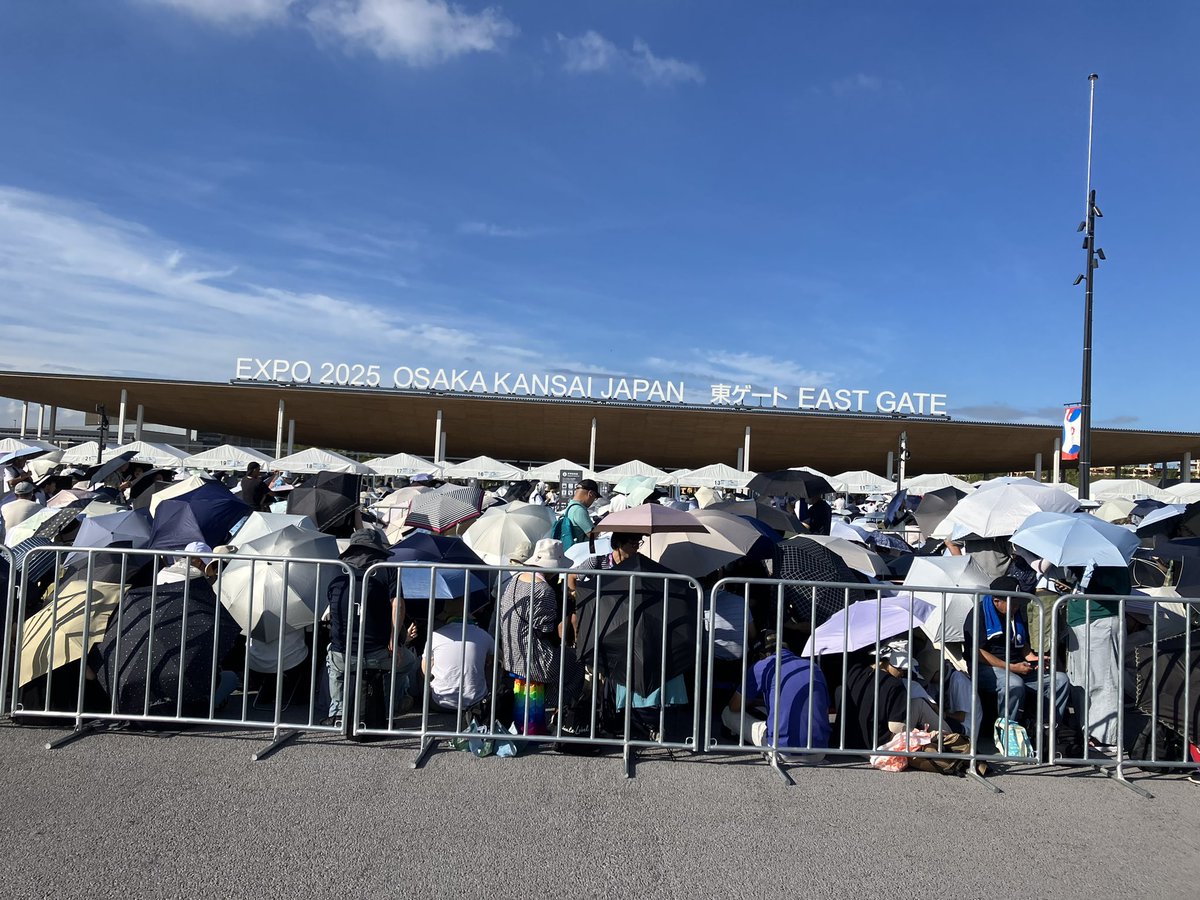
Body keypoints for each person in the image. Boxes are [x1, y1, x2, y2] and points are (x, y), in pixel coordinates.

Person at [325, 528, 417, 725]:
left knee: (332, 660)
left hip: (343, 654)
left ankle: (337, 711)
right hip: (379, 654)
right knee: (408, 661)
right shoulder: (387, 569)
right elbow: (398, 604)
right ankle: (389, 704)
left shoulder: (335, 569)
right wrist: (394, 637)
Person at [498, 538, 583, 732]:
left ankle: (535, 715)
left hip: (512, 655)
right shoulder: (544, 590)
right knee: (576, 663)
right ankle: (559, 711)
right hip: (535, 659)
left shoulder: (515, 580)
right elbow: (547, 630)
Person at [963, 576, 1070, 726]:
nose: (1016, 607)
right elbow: (977, 652)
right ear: (996, 601)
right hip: (987, 668)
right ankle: (1008, 734)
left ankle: (1047, 730)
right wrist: (1011, 667)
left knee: (1060, 680)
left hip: (1017, 666)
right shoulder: (979, 614)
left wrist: (1033, 658)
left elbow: (1022, 642)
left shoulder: (1017, 613)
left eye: (1018, 602)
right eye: (1012, 603)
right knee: (1013, 684)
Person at [721, 631, 831, 761]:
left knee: (727, 713)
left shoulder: (762, 665)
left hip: (782, 751)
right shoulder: (813, 667)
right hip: (820, 751)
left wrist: (752, 702)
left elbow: (734, 706)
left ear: (761, 654)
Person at [1065, 566, 1129, 750]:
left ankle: (1106, 736)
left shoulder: (1110, 558)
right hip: (1080, 620)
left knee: (1105, 679)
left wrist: (1094, 573)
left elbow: (1122, 587)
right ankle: (1086, 729)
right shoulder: (1081, 554)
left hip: (1101, 619)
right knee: (1082, 681)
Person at [421, 597, 494, 714]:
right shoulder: (483, 635)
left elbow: (425, 670)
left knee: (425, 661)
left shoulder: (435, 635)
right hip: (476, 702)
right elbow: (500, 658)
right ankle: (488, 694)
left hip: (440, 703)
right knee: (492, 661)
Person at [553, 479, 599, 550]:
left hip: (569, 549)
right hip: (578, 552)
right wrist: (600, 524)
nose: (593, 501)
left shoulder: (571, 506)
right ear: (590, 493)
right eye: (595, 497)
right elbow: (592, 535)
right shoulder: (579, 510)